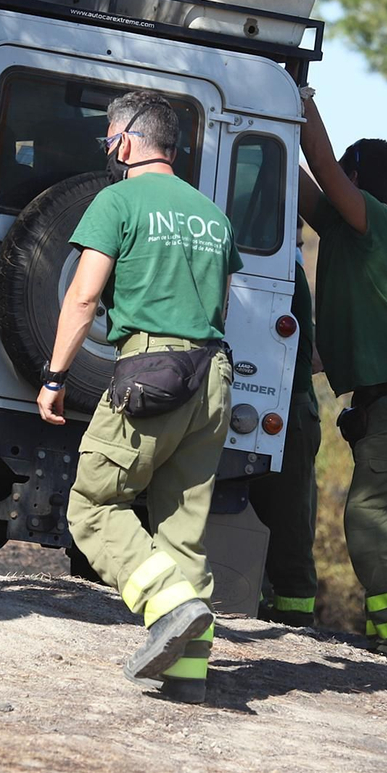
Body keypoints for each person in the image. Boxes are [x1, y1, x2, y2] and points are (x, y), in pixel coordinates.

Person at [38, 90, 242, 704]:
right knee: (183, 524)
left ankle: (169, 607)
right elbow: (215, 303)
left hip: (150, 369)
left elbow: (80, 297)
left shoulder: (117, 199)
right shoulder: (212, 215)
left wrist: (54, 376)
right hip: (213, 374)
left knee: (94, 506)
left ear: (126, 140)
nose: (107, 146)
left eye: (108, 135)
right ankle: (189, 677)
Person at [297, 94, 387, 662]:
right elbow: (303, 177)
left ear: (358, 179)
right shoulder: (344, 232)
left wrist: (299, 96)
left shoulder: (374, 223)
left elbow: (323, 170)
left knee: (370, 517)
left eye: (345, 178)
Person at [249, 218, 322, 626]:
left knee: (288, 522)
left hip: (289, 407)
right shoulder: (289, 269)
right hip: (291, 406)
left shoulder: (284, 270)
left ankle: (294, 618)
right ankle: (279, 610)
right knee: (287, 519)